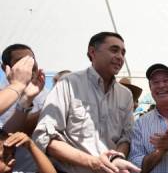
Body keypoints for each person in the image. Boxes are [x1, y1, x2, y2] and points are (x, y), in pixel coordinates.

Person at [32, 32, 140, 173]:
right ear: (92, 52)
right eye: (114, 50)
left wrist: (115, 159)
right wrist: (92, 162)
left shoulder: (125, 95)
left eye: (123, 52)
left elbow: (126, 137)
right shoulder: (69, 83)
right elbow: (43, 137)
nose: (120, 57)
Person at [1, 44, 46, 173]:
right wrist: (46, 113)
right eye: (21, 61)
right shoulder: (4, 95)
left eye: (31, 59)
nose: (29, 65)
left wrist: (26, 101)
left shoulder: (45, 93)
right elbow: (6, 136)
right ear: (5, 68)